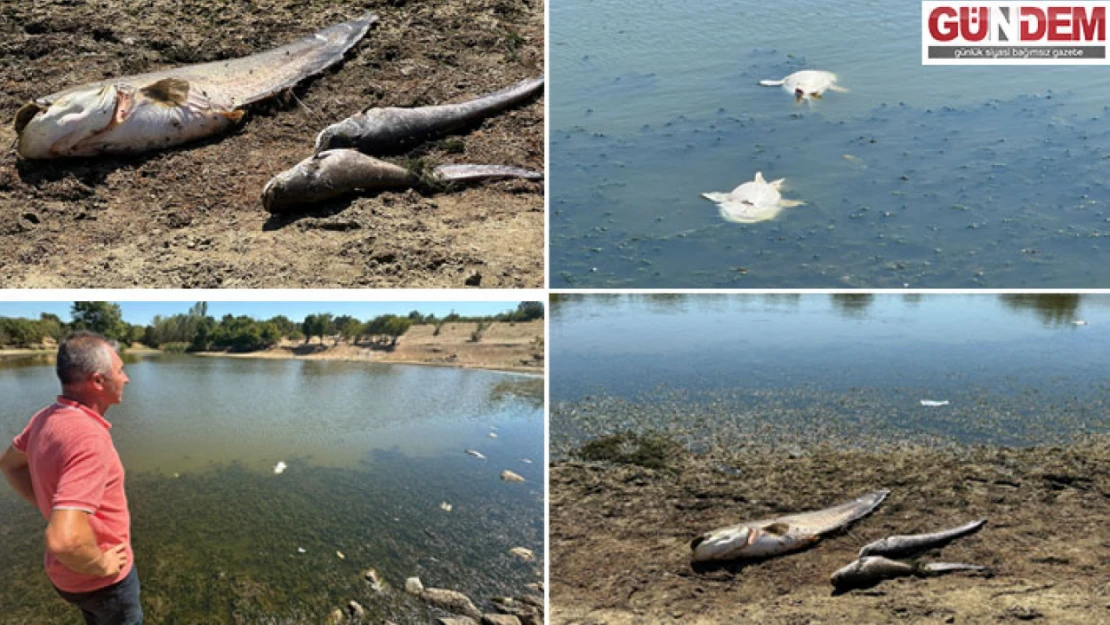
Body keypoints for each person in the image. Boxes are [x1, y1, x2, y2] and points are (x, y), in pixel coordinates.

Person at [0, 331, 142, 624]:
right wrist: (102, 564)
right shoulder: (90, 439)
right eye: (120, 370)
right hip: (105, 583)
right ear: (98, 382)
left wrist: (52, 510)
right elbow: (64, 541)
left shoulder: (46, 417)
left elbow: (9, 465)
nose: (126, 378)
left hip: (67, 579)